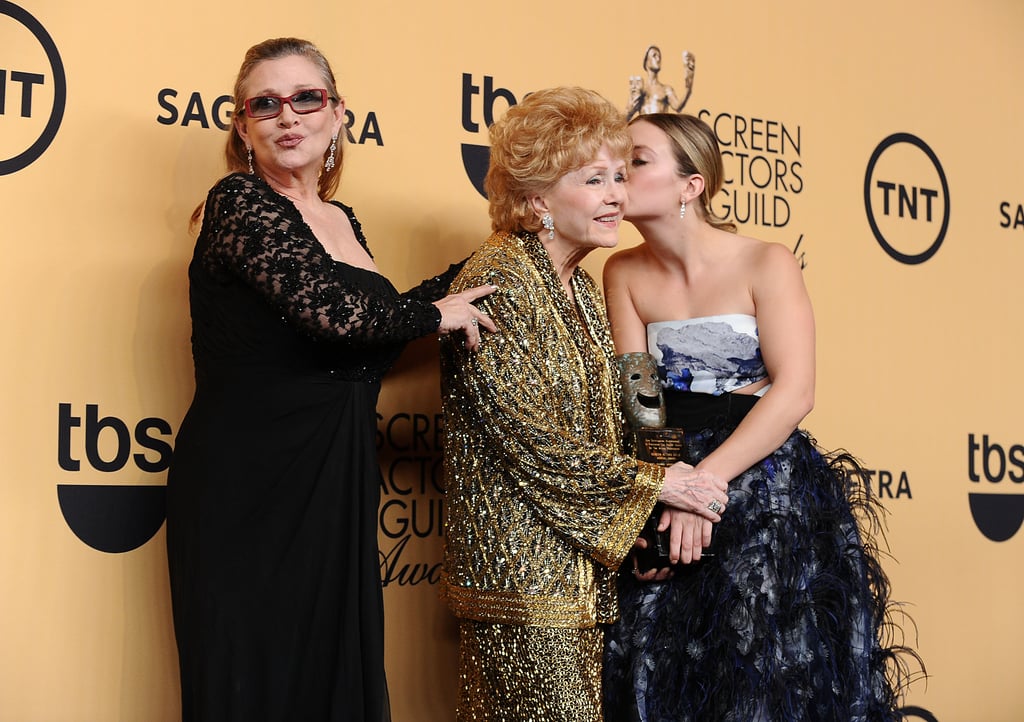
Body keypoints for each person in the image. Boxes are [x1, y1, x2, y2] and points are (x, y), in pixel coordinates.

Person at [165, 37, 496, 722]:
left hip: (330, 469)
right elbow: (339, 318)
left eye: (305, 99)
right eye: (265, 104)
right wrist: (435, 309)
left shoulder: (341, 221)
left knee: (325, 678)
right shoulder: (239, 203)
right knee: (255, 679)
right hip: (248, 481)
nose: (287, 117)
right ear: (242, 123)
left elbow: (378, 332)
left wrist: (495, 267)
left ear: (338, 113)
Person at [601, 112, 918, 721]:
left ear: (690, 186)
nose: (618, 174)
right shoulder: (622, 272)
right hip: (670, 478)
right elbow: (641, 403)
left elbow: (795, 392)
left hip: (763, 481)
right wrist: (675, 489)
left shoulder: (766, 262)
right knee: (662, 665)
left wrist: (706, 485)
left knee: (767, 671)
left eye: (637, 160)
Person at [439, 88, 730, 722]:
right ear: (537, 198)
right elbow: (526, 440)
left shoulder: (585, 284)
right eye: (594, 180)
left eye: (620, 177)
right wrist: (658, 484)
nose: (616, 196)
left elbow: (641, 397)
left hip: (586, 576)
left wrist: (658, 502)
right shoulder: (499, 281)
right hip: (521, 582)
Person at [626, 46, 696, 121]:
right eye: (654, 56)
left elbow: (678, 107)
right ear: (646, 61)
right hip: (644, 129)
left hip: (661, 129)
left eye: (659, 57)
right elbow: (627, 115)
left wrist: (688, 88)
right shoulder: (641, 88)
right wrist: (630, 111)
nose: (658, 59)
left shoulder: (666, 89)